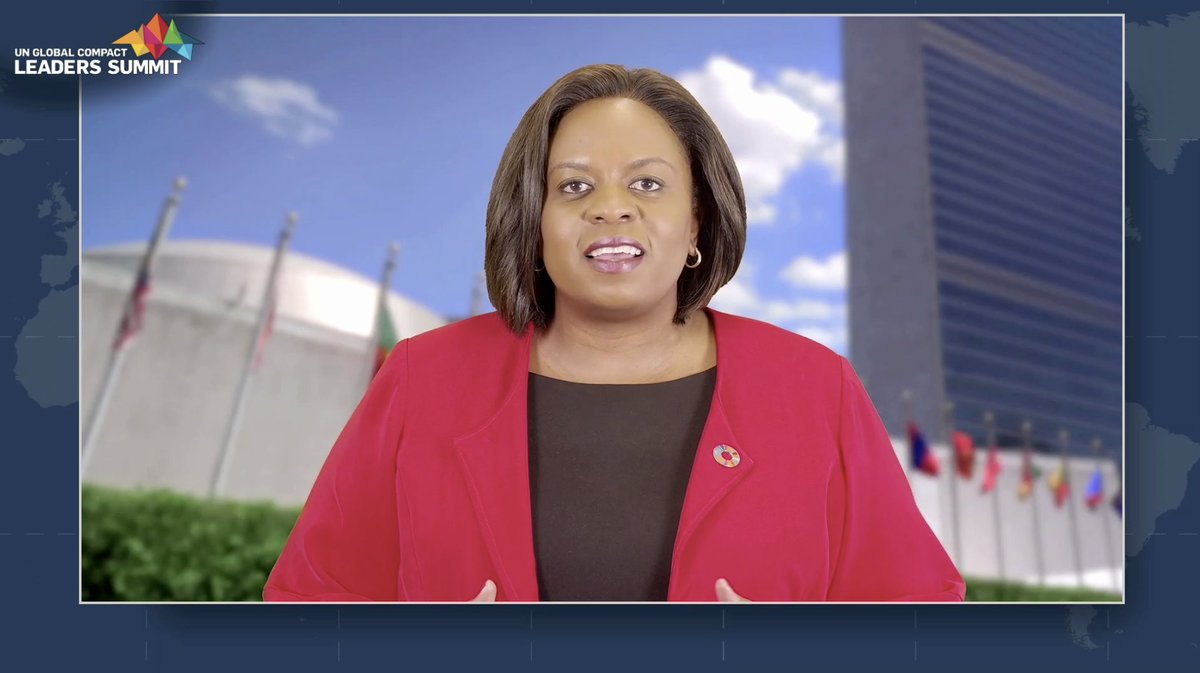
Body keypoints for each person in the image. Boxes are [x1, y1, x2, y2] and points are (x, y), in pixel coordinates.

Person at [263, 64, 965, 603]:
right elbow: (305, 607)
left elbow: (920, 619)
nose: (611, 210)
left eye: (649, 185)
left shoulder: (814, 387)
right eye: (573, 187)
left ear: (697, 221)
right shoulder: (423, 377)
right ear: (533, 222)